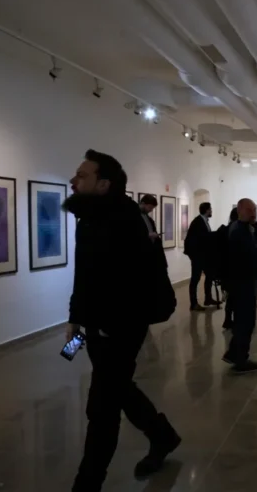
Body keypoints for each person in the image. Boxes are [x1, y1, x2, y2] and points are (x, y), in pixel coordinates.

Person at [63, 149, 180, 492]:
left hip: (120, 327)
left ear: (103, 184)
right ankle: (162, 435)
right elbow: (84, 274)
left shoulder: (125, 220)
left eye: (82, 175)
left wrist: (107, 322)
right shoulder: (89, 219)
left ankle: (87, 485)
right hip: (97, 324)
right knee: (118, 388)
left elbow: (133, 280)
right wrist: (76, 317)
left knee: (102, 406)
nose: (73, 180)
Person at [222, 198, 257, 373]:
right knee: (245, 321)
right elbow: (244, 254)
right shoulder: (238, 231)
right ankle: (241, 360)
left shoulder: (241, 228)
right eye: (249, 210)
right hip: (242, 282)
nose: (253, 213)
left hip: (243, 281)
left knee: (243, 320)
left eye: (254, 210)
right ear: (239, 210)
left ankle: (234, 354)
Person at [183, 202, 217, 311]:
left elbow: (205, 237)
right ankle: (193, 304)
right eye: (210, 209)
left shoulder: (203, 221)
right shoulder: (198, 222)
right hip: (197, 255)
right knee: (195, 278)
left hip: (203, 255)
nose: (211, 211)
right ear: (206, 210)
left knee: (209, 275)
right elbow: (201, 238)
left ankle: (208, 298)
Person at [214, 207, 238, 329]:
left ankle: (228, 319)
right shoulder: (235, 231)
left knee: (231, 296)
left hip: (225, 270)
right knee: (235, 296)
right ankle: (232, 320)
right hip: (233, 269)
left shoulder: (224, 230)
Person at [139, 194, 167, 270]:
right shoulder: (133, 217)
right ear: (143, 204)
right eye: (150, 207)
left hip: (151, 254)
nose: (151, 210)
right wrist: (148, 235)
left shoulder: (148, 218)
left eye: (152, 208)